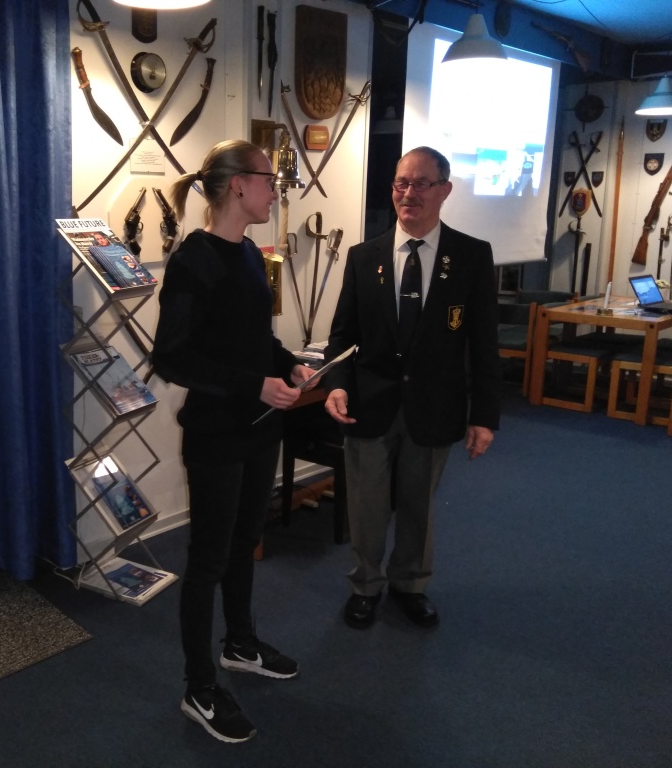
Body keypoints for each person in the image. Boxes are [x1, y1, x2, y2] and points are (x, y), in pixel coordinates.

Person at [152, 139, 316, 743]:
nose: (276, 190)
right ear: (238, 185)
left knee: (246, 541)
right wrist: (255, 385)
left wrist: (289, 363)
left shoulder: (249, 252)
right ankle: (199, 686)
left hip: (259, 428)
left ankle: (240, 643)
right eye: (269, 180)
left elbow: (254, 340)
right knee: (208, 559)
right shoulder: (193, 261)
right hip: (217, 435)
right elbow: (172, 357)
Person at [322, 146, 501, 631]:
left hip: (435, 405)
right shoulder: (364, 257)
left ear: (445, 190)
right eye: (401, 183)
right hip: (369, 405)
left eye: (422, 183)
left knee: (418, 506)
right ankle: (365, 585)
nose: (409, 193)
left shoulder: (471, 256)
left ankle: (410, 584)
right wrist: (336, 385)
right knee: (366, 506)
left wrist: (484, 416)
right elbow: (342, 336)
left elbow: (484, 344)